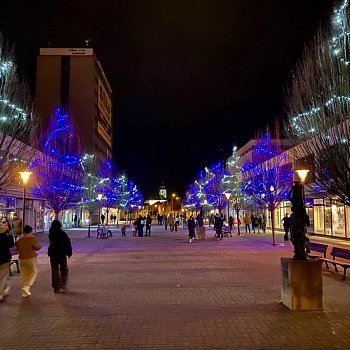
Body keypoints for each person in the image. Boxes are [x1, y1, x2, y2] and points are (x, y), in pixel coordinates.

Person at [15, 225, 41, 298]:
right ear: (31, 231)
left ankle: (25, 292)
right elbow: (38, 247)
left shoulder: (20, 240)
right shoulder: (31, 239)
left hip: (22, 258)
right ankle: (27, 287)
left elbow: (16, 247)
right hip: (31, 258)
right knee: (34, 272)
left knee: (24, 275)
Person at [48, 220, 72, 294]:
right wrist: (69, 253)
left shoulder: (51, 234)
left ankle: (56, 286)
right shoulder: (62, 233)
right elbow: (68, 243)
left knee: (55, 270)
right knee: (64, 270)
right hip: (61, 253)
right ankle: (62, 285)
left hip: (53, 254)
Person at [0, 225, 14, 302]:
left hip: (4, 259)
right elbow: (11, 244)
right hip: (4, 259)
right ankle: (0, 294)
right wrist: (9, 234)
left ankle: (2, 291)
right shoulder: (6, 235)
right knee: (2, 277)